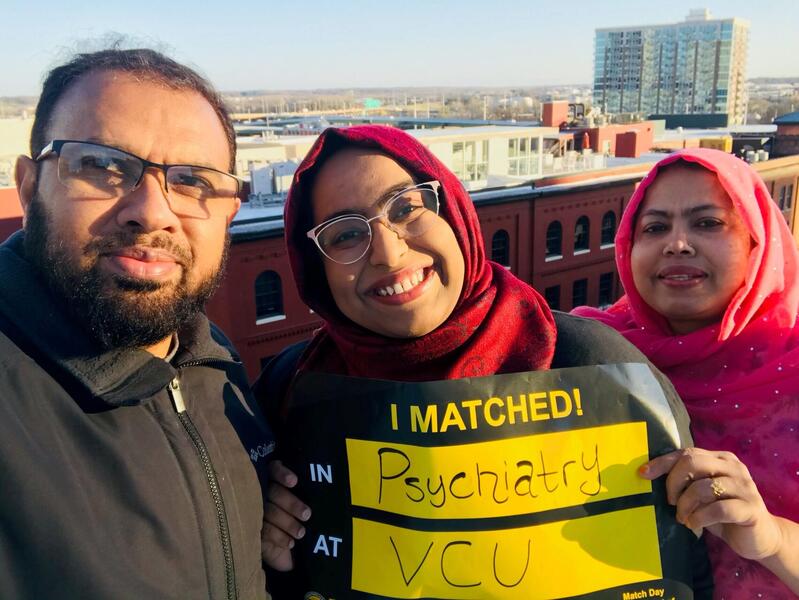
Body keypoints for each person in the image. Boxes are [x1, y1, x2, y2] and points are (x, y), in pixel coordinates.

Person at [255, 125, 712, 596]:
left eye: (407, 208)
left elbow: (684, 569)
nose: (388, 253)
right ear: (316, 268)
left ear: (453, 211)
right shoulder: (289, 391)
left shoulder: (597, 366)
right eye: (346, 234)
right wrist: (250, 522)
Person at [0, 48, 274, 599]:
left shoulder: (211, 359)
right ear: (29, 187)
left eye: (193, 181)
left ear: (229, 213)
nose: (152, 212)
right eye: (102, 166)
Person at [574, 148, 799, 597]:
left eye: (708, 223)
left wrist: (770, 536)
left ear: (758, 242)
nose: (677, 243)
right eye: (655, 227)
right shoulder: (585, 358)